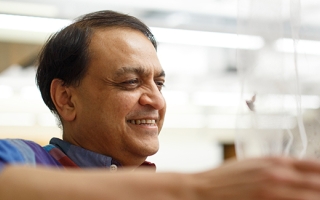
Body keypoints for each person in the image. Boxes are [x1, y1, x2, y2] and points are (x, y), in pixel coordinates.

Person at [1, 10, 320, 200]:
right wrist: (198, 188)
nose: (156, 99)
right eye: (130, 82)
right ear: (66, 99)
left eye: (159, 83)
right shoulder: (25, 159)